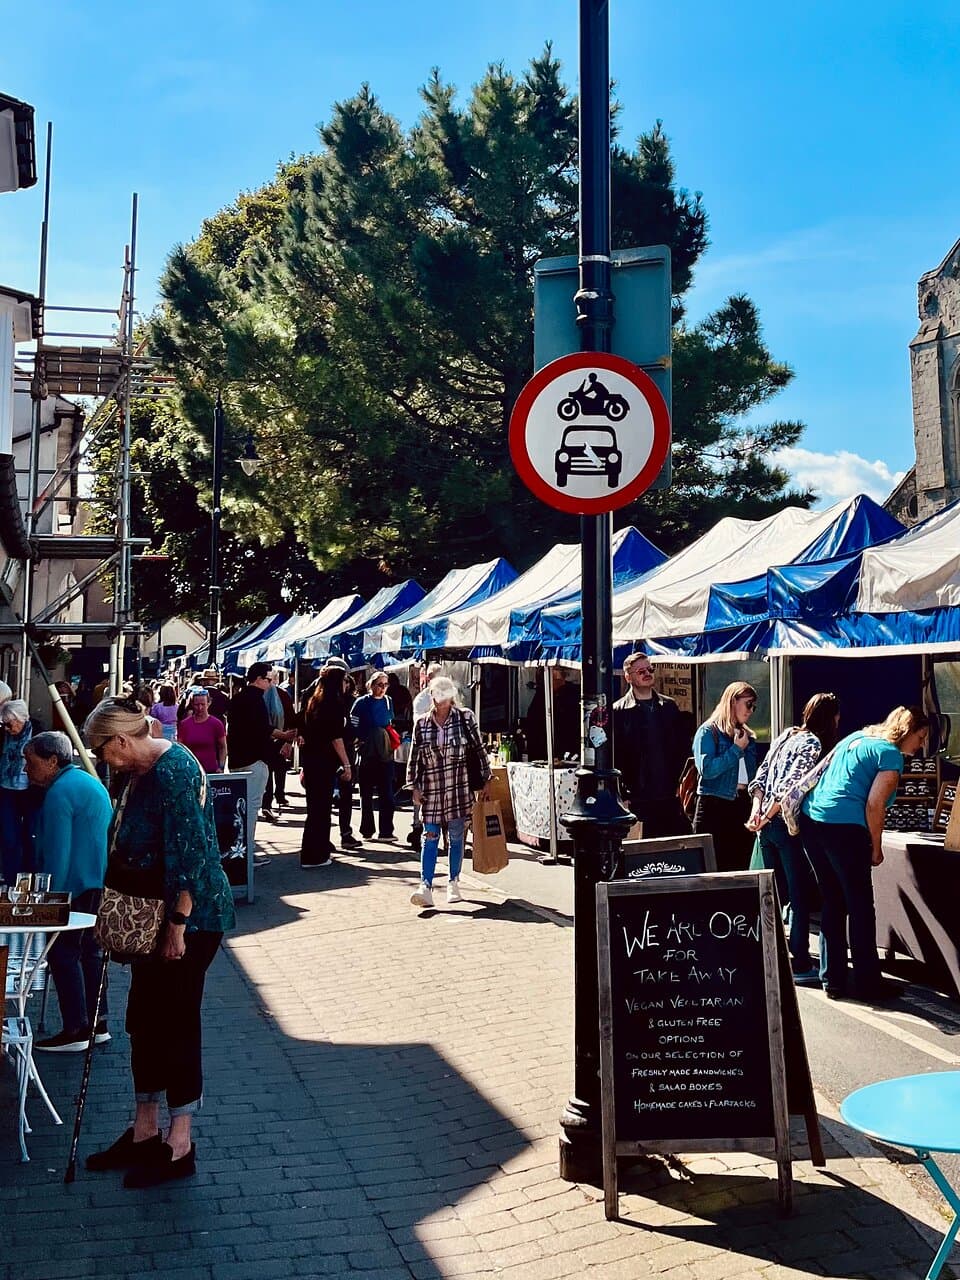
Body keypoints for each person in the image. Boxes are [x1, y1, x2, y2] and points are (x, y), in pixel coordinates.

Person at [81, 697, 236, 1188]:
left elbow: (191, 849)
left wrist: (177, 924)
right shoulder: (140, 771)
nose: (102, 758)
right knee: (144, 1021)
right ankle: (145, 1130)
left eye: (102, 749)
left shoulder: (173, 770)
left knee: (175, 1022)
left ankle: (180, 1141)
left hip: (188, 920)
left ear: (121, 740)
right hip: (152, 918)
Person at [800, 705, 930, 1003]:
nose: (921, 745)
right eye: (920, 737)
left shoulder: (856, 738)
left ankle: (832, 979)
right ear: (907, 731)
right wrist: (876, 846)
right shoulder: (890, 755)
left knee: (832, 900)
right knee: (860, 907)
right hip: (845, 828)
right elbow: (875, 805)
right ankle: (868, 983)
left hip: (814, 822)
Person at [25, 732, 113, 1052]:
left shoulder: (60, 792)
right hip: (95, 880)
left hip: (74, 884)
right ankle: (97, 1022)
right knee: (90, 952)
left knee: (63, 955)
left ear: (52, 761)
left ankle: (76, 1027)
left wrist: (48, 899)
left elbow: (57, 853)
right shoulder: (86, 782)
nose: (25, 768)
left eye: (30, 761)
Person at [747, 693, 840, 985]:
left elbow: (761, 776)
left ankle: (767, 952)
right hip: (785, 825)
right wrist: (770, 813)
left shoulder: (786, 734)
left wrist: (757, 812)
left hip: (763, 823)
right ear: (831, 718)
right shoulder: (813, 744)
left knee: (772, 893)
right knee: (798, 894)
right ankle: (800, 960)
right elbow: (792, 787)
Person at [408, 676, 491, 908]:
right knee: (430, 836)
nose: (439, 703)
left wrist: (486, 779)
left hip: (458, 787)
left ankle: (454, 882)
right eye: (435, 697)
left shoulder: (465, 718)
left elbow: (479, 748)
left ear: (451, 698)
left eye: (443, 698)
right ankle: (426, 885)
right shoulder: (422, 724)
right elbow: (415, 757)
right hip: (432, 788)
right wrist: (413, 786)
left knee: (456, 838)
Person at [613, 653, 691, 838]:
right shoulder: (619, 711)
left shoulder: (669, 706)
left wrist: (680, 783)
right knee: (643, 852)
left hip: (668, 793)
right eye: (641, 671)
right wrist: (623, 794)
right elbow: (615, 756)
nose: (647, 673)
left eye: (650, 669)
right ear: (628, 676)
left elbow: (681, 748)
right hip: (638, 796)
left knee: (670, 849)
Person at [691, 682, 761, 873]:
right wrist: (736, 749)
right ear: (733, 701)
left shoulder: (748, 736)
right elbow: (707, 770)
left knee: (740, 866)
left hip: (741, 804)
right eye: (748, 704)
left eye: (754, 706)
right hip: (714, 803)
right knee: (712, 867)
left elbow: (753, 775)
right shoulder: (708, 732)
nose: (751, 711)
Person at [227, 663, 293, 842]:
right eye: (268, 680)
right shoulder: (256, 699)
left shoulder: (237, 698)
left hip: (236, 759)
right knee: (251, 807)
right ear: (259, 679)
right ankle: (247, 851)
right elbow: (263, 728)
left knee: (241, 807)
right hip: (253, 759)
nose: (271, 684)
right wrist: (284, 735)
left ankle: (243, 849)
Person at [298, 663, 354, 868]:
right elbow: (335, 737)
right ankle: (316, 855)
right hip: (324, 762)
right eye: (345, 680)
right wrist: (347, 764)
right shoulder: (334, 704)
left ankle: (312, 852)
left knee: (315, 810)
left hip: (312, 760)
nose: (347, 684)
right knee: (321, 810)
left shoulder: (314, 701)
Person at [352, 672, 397, 841]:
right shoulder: (362, 702)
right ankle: (367, 829)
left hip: (385, 752)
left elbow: (390, 723)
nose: (382, 688)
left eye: (385, 685)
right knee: (366, 793)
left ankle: (386, 831)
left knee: (387, 793)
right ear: (371, 685)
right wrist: (360, 740)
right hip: (367, 752)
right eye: (379, 684)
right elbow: (354, 723)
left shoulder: (388, 701)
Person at [408, 664, 443, 852]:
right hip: (426, 754)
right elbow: (419, 725)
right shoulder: (421, 699)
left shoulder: (448, 695)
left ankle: (443, 835)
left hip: (445, 757)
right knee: (422, 795)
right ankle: (417, 827)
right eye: (431, 677)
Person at [0, 698, 35, 881]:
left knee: (31, 834)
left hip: (29, 789)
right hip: (6, 787)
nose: (7, 729)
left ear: (21, 720)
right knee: (9, 836)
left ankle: (28, 877)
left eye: (9, 724)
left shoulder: (37, 733)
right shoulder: (3, 736)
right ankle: (10, 877)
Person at [524, 668, 581, 761]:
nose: (562, 678)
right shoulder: (541, 698)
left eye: (562, 674)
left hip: (568, 750)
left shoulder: (570, 693)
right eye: (560, 674)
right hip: (546, 751)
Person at [177, 688, 227, 774]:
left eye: (203, 704)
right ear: (192, 704)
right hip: (191, 771)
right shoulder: (185, 724)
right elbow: (180, 748)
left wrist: (221, 766)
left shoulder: (216, 724)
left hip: (211, 770)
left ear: (209, 703)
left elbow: (222, 747)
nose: (200, 708)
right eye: (197, 705)